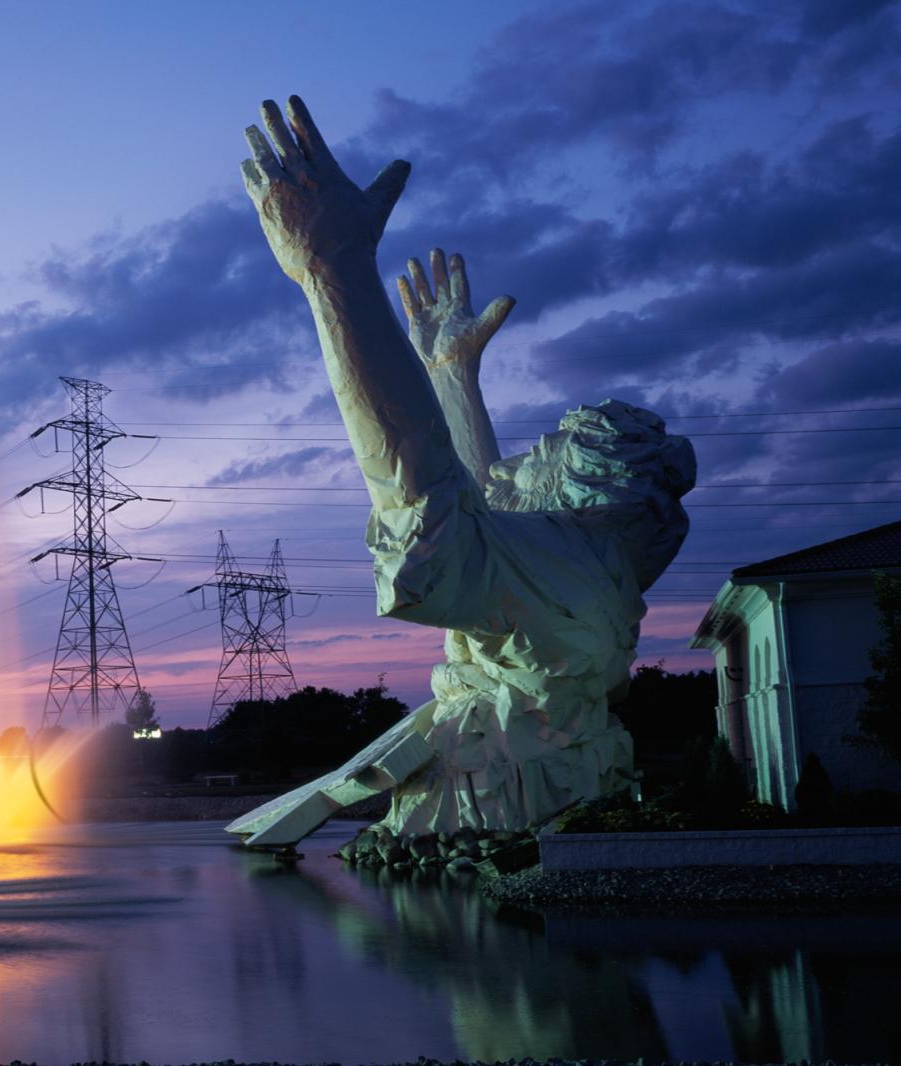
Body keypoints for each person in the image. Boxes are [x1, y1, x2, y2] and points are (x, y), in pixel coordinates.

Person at [227, 97, 695, 843]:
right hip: (538, 795)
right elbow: (487, 513)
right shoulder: (593, 567)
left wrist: (334, 273)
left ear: (587, 484)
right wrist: (451, 377)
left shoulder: (564, 570)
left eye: (548, 450)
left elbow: (433, 500)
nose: (527, 455)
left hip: (491, 812)